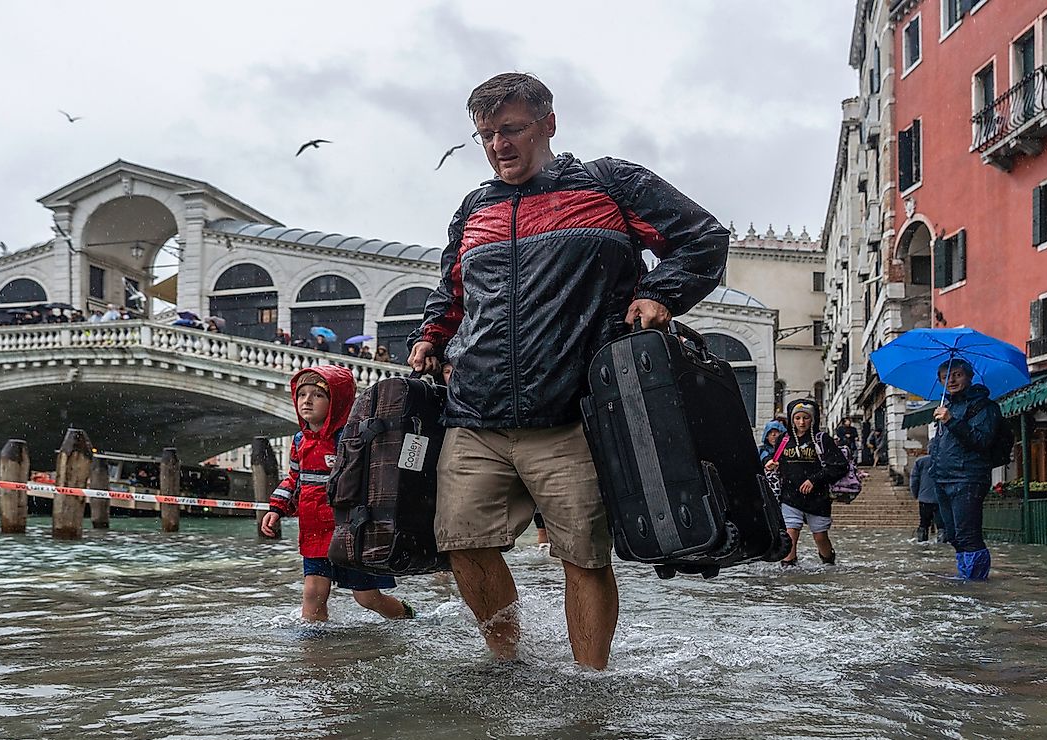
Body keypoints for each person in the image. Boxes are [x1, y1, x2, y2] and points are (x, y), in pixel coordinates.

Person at [407, 72, 729, 669]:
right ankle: (507, 662)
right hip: (475, 413)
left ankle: (589, 684)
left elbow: (703, 238)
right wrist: (431, 336)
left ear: (548, 124)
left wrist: (661, 292)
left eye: (511, 129)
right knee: (462, 544)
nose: (499, 145)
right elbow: (451, 290)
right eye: (485, 136)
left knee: (582, 556)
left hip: (576, 412)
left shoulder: (611, 184)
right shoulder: (473, 208)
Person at [258, 365, 415, 621]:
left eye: (318, 395)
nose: (307, 401)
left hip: (349, 529)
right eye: (301, 394)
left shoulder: (350, 438)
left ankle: (406, 616)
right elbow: (294, 479)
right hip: (314, 531)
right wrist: (276, 508)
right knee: (313, 593)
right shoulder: (299, 441)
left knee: (367, 598)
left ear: (337, 402)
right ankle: (316, 650)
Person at [929, 358, 1001, 580]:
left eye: (957, 374)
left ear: (969, 376)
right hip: (942, 479)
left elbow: (981, 440)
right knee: (953, 536)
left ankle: (976, 585)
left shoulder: (984, 406)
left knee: (968, 535)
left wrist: (951, 421)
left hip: (968, 478)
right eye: (945, 376)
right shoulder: (945, 406)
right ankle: (965, 577)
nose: (951, 380)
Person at [764, 399, 849, 567]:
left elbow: (840, 466)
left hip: (818, 499)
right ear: (791, 419)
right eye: (797, 418)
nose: (801, 422)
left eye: (806, 418)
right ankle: (788, 572)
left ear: (813, 419)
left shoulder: (822, 439)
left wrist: (814, 479)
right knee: (790, 535)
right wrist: (770, 463)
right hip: (790, 496)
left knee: (820, 536)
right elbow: (774, 459)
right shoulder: (784, 440)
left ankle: (828, 563)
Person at [909, 453, 940, 543]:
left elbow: (914, 480)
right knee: (942, 525)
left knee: (924, 524)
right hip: (941, 498)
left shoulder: (920, 461)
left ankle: (922, 542)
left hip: (924, 498)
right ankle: (942, 544)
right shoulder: (944, 459)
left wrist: (916, 494)